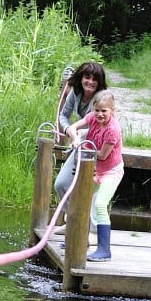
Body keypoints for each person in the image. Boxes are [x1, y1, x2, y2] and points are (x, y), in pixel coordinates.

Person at [62, 90, 124, 261]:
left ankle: (104, 251)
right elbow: (73, 127)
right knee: (80, 199)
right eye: (97, 110)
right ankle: (81, 240)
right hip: (95, 169)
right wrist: (75, 138)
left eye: (104, 111)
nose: (100, 114)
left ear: (112, 110)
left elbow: (103, 155)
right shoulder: (91, 118)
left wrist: (82, 146)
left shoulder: (112, 130)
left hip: (111, 171)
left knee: (100, 204)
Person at [52, 62, 108, 202]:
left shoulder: (102, 99)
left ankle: (85, 223)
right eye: (87, 77)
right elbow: (63, 115)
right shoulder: (76, 92)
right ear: (81, 78)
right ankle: (72, 221)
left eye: (95, 79)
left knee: (90, 194)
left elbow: (102, 127)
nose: (90, 82)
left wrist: (78, 134)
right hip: (80, 144)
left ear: (99, 82)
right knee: (61, 185)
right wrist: (68, 130)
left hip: (99, 149)